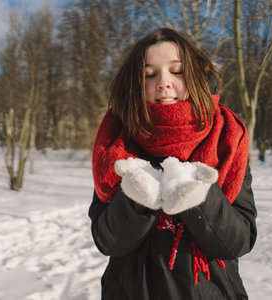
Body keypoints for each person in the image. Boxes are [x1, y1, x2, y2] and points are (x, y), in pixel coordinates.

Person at [89, 28, 257, 300]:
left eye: (176, 71)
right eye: (148, 74)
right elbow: (106, 240)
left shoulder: (226, 143)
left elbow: (239, 240)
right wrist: (136, 201)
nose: (163, 82)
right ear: (134, 85)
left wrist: (198, 198)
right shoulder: (117, 147)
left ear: (195, 77)